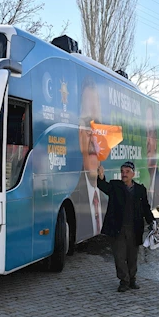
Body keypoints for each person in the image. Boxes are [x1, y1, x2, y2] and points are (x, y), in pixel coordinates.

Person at [97, 161, 156, 292]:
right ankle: (124, 281)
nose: (124, 174)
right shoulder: (115, 186)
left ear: (133, 174)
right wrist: (101, 175)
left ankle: (132, 279)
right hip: (117, 229)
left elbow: (145, 208)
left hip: (134, 229)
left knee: (132, 256)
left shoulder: (140, 190)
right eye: (122, 172)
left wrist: (152, 222)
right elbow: (102, 186)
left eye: (127, 172)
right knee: (119, 257)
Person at [71, 76, 108, 240]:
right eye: (87, 124)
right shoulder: (72, 192)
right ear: (78, 134)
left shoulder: (108, 195)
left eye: (98, 125)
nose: (94, 135)